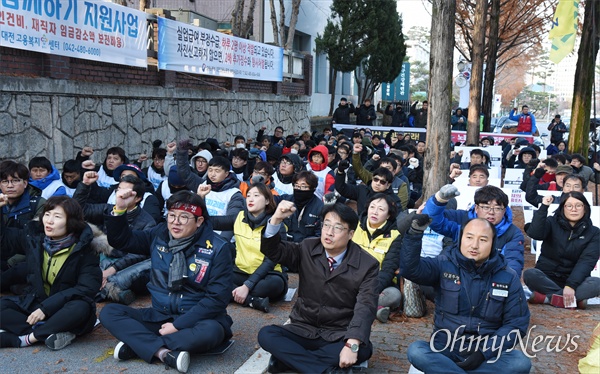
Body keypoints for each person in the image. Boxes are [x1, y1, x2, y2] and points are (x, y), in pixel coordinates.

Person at [99, 191, 234, 373]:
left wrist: (177, 326)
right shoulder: (159, 234)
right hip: (160, 315)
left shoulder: (218, 247)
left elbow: (217, 299)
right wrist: (120, 209)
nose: (175, 222)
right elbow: (122, 240)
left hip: (197, 320)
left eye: (184, 217)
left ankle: (138, 345)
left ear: (199, 221)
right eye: (172, 216)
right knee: (109, 312)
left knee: (212, 332)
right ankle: (163, 353)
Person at [257, 202, 379, 373]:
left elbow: (366, 306)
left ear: (351, 234)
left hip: (338, 334)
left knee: (362, 349)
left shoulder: (367, 264)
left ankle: (289, 360)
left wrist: (352, 344)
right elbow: (275, 251)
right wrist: (276, 219)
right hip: (302, 328)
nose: (329, 232)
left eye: (337, 228)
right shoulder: (308, 247)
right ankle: (326, 371)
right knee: (267, 335)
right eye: (326, 225)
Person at [401, 215, 531, 373]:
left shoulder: (508, 276)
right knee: (417, 351)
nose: (474, 245)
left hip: (485, 356)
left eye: (483, 240)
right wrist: (414, 234)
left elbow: (516, 324)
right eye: (469, 237)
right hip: (445, 350)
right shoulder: (443, 263)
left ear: (492, 244)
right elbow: (410, 270)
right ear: (461, 238)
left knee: (520, 362)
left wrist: (483, 353)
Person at [0, 196, 101, 350]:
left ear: (71, 222)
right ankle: (53, 331)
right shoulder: (35, 239)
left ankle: (26, 339)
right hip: (37, 302)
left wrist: (46, 308)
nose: (49, 221)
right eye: (47, 214)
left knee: (81, 307)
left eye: (57, 216)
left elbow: (86, 289)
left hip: (65, 307)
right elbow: (4, 239)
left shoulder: (84, 249)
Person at [209, 183, 288, 313]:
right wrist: (200, 197)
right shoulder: (239, 217)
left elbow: (271, 261)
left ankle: (236, 292)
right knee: (211, 278)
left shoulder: (276, 224)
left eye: (256, 196)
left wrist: (247, 285)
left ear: (267, 200)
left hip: (268, 274)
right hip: (240, 271)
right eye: (248, 195)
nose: (250, 199)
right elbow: (211, 221)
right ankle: (251, 300)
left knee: (270, 286)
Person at [423, 184, 525, 277]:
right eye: (486, 207)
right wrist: (439, 200)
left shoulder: (513, 233)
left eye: (497, 208)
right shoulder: (461, 218)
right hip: (457, 275)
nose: (491, 212)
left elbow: (513, 263)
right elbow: (432, 219)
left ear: (504, 210)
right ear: (476, 208)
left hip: (490, 279)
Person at [524, 192, 600, 309]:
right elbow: (535, 233)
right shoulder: (551, 222)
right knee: (530, 274)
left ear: (585, 208)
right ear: (562, 208)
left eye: (578, 205)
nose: (573, 209)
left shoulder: (594, 232)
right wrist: (544, 207)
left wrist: (571, 285)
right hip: (547, 277)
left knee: (596, 283)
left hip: (576, 281)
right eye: (569, 206)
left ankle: (547, 298)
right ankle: (573, 300)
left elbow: (587, 261)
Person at [351, 194, 402, 323]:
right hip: (351, 278)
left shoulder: (395, 236)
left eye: (381, 209)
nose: (375, 212)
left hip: (377, 283)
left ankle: (354, 305)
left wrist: (371, 290)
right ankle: (374, 309)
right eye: (372, 207)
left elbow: (388, 270)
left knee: (393, 296)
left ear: (389, 215)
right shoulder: (354, 227)